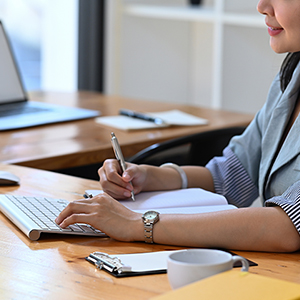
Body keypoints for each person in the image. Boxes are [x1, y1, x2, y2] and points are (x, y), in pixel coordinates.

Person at [56, 0, 300, 252]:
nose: (261, 6)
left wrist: (136, 224)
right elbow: (231, 176)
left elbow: (288, 227)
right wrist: (150, 176)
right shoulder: (291, 77)